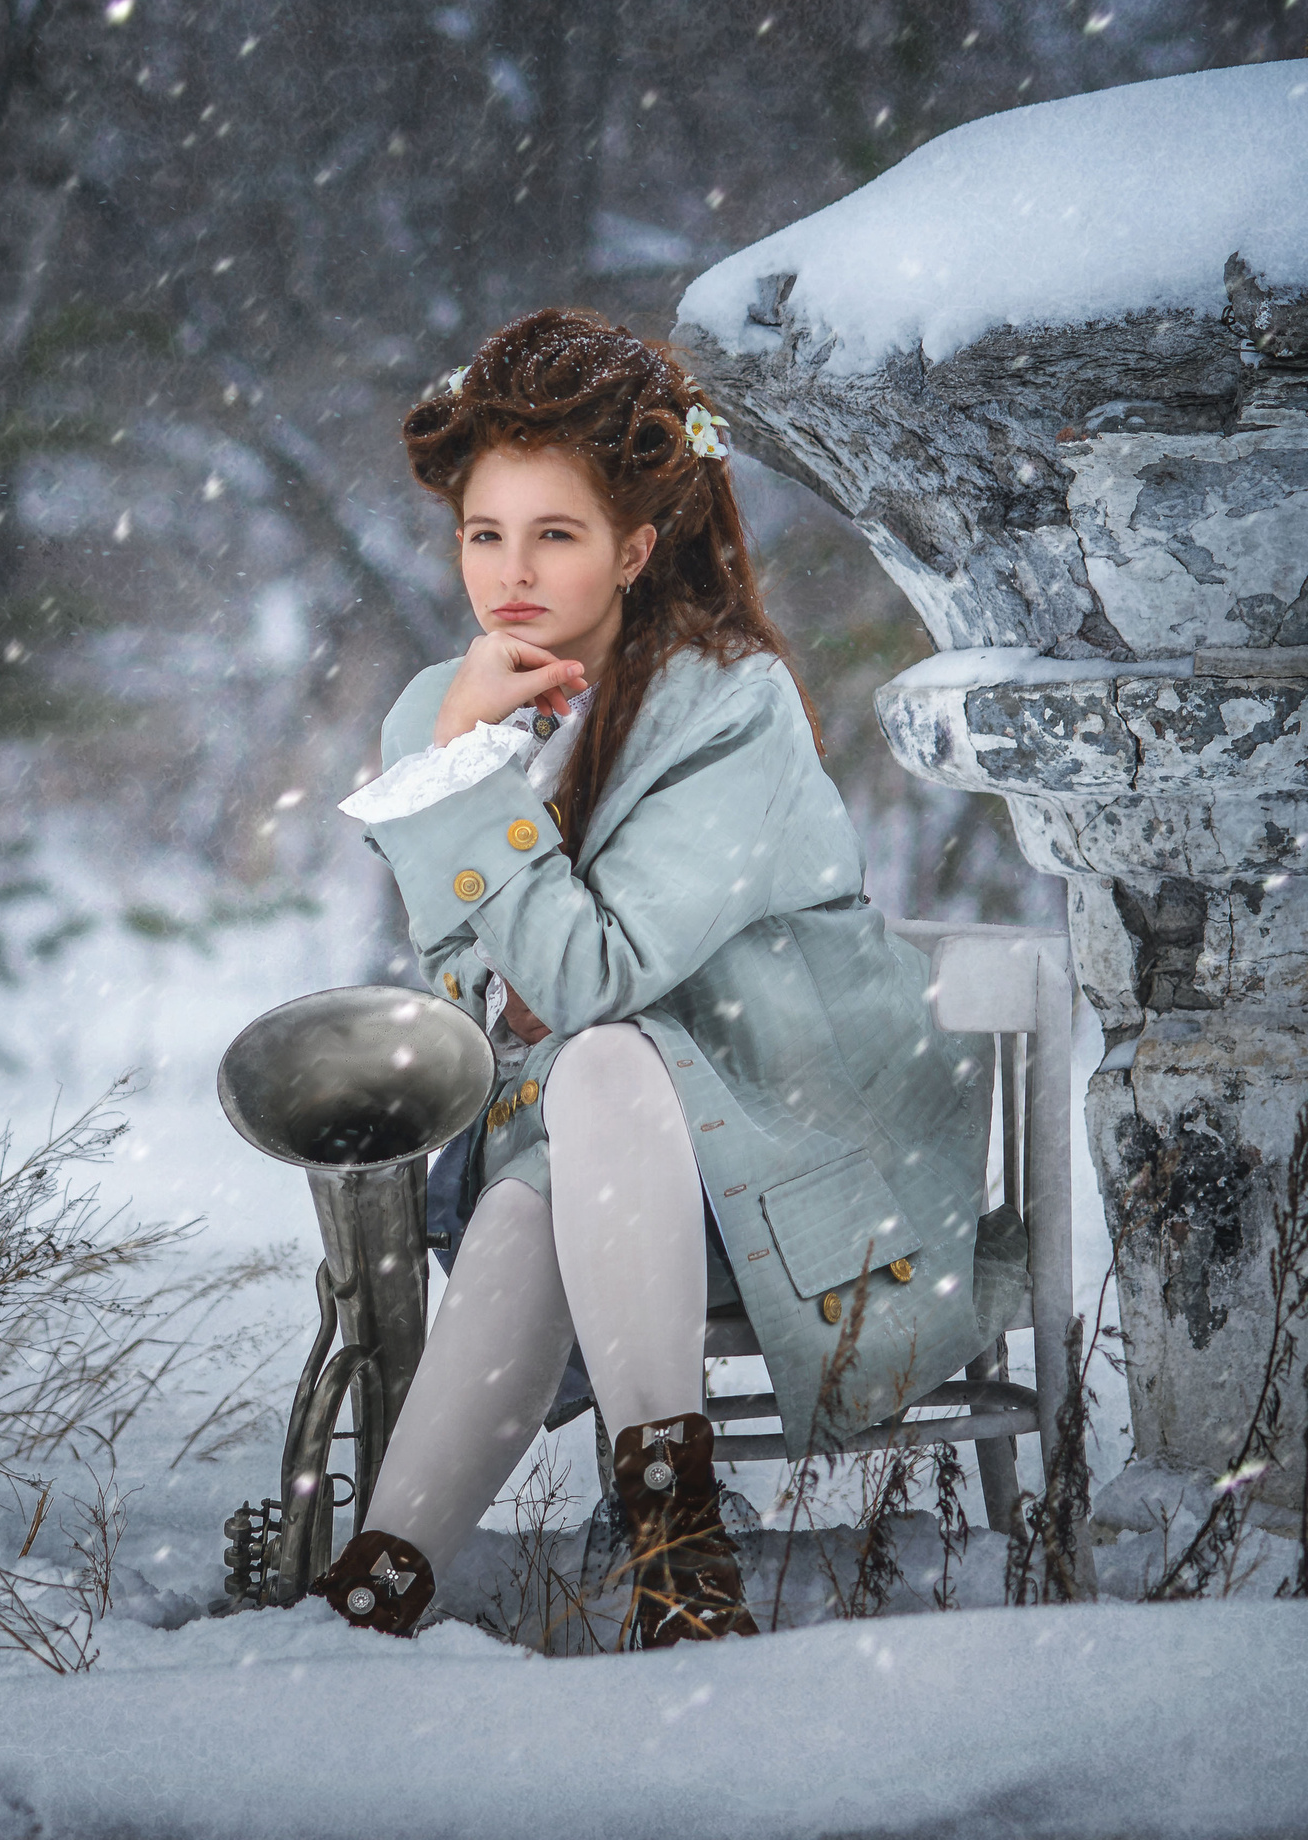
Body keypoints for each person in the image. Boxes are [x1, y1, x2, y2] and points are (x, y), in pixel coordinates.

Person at [313, 308, 991, 1646]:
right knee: (528, 1200)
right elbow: (470, 992)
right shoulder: (433, 714)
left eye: (554, 535)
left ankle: (661, 1541)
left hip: (796, 1136)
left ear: (634, 544)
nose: (510, 572)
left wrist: (468, 795)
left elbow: (586, 976)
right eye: (483, 534)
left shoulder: (726, 703)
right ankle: (402, 1588)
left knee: (609, 1051)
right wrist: (465, 782)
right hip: (584, 1160)